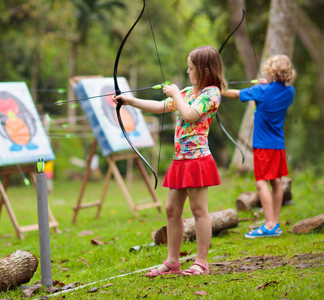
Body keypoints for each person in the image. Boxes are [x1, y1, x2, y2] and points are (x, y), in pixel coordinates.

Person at [112, 45, 225, 276]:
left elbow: (190, 114)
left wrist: (175, 94)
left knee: (198, 209)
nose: (187, 71)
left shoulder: (211, 94)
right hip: (180, 160)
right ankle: (173, 262)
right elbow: (161, 107)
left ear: (204, 70)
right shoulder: (188, 91)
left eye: (190, 67)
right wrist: (129, 101)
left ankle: (201, 262)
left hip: (197, 160)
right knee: (172, 209)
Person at [222, 54, 296, 238]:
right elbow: (274, 93)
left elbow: (235, 94)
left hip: (263, 145)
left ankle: (270, 224)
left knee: (261, 182)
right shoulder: (290, 92)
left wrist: (218, 89)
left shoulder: (261, 91)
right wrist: (267, 85)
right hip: (278, 145)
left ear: (271, 73)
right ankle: (275, 223)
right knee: (276, 181)